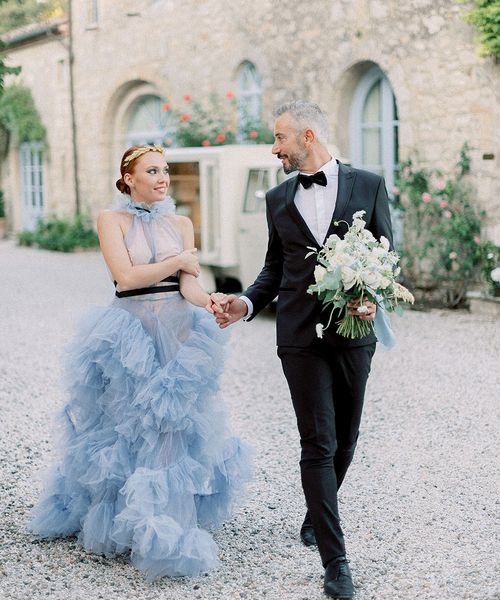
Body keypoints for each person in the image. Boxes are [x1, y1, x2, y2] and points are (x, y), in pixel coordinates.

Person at [27, 144, 251, 580]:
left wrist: (212, 302)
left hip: (178, 329)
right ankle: (123, 517)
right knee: (125, 423)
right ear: (129, 178)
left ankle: (164, 524)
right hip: (129, 333)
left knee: (169, 425)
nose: (163, 177)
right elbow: (125, 276)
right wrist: (177, 261)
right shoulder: (111, 220)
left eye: (165, 170)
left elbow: (188, 285)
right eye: (152, 170)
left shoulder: (181, 223)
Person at [214, 101, 393, 599]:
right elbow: (274, 269)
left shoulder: (369, 185)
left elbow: (386, 255)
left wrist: (371, 299)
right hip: (297, 336)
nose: (275, 148)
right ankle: (336, 564)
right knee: (317, 441)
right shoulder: (276, 199)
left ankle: (318, 512)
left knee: (346, 437)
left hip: (354, 334)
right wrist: (245, 304)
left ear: (307, 136)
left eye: (279, 138)